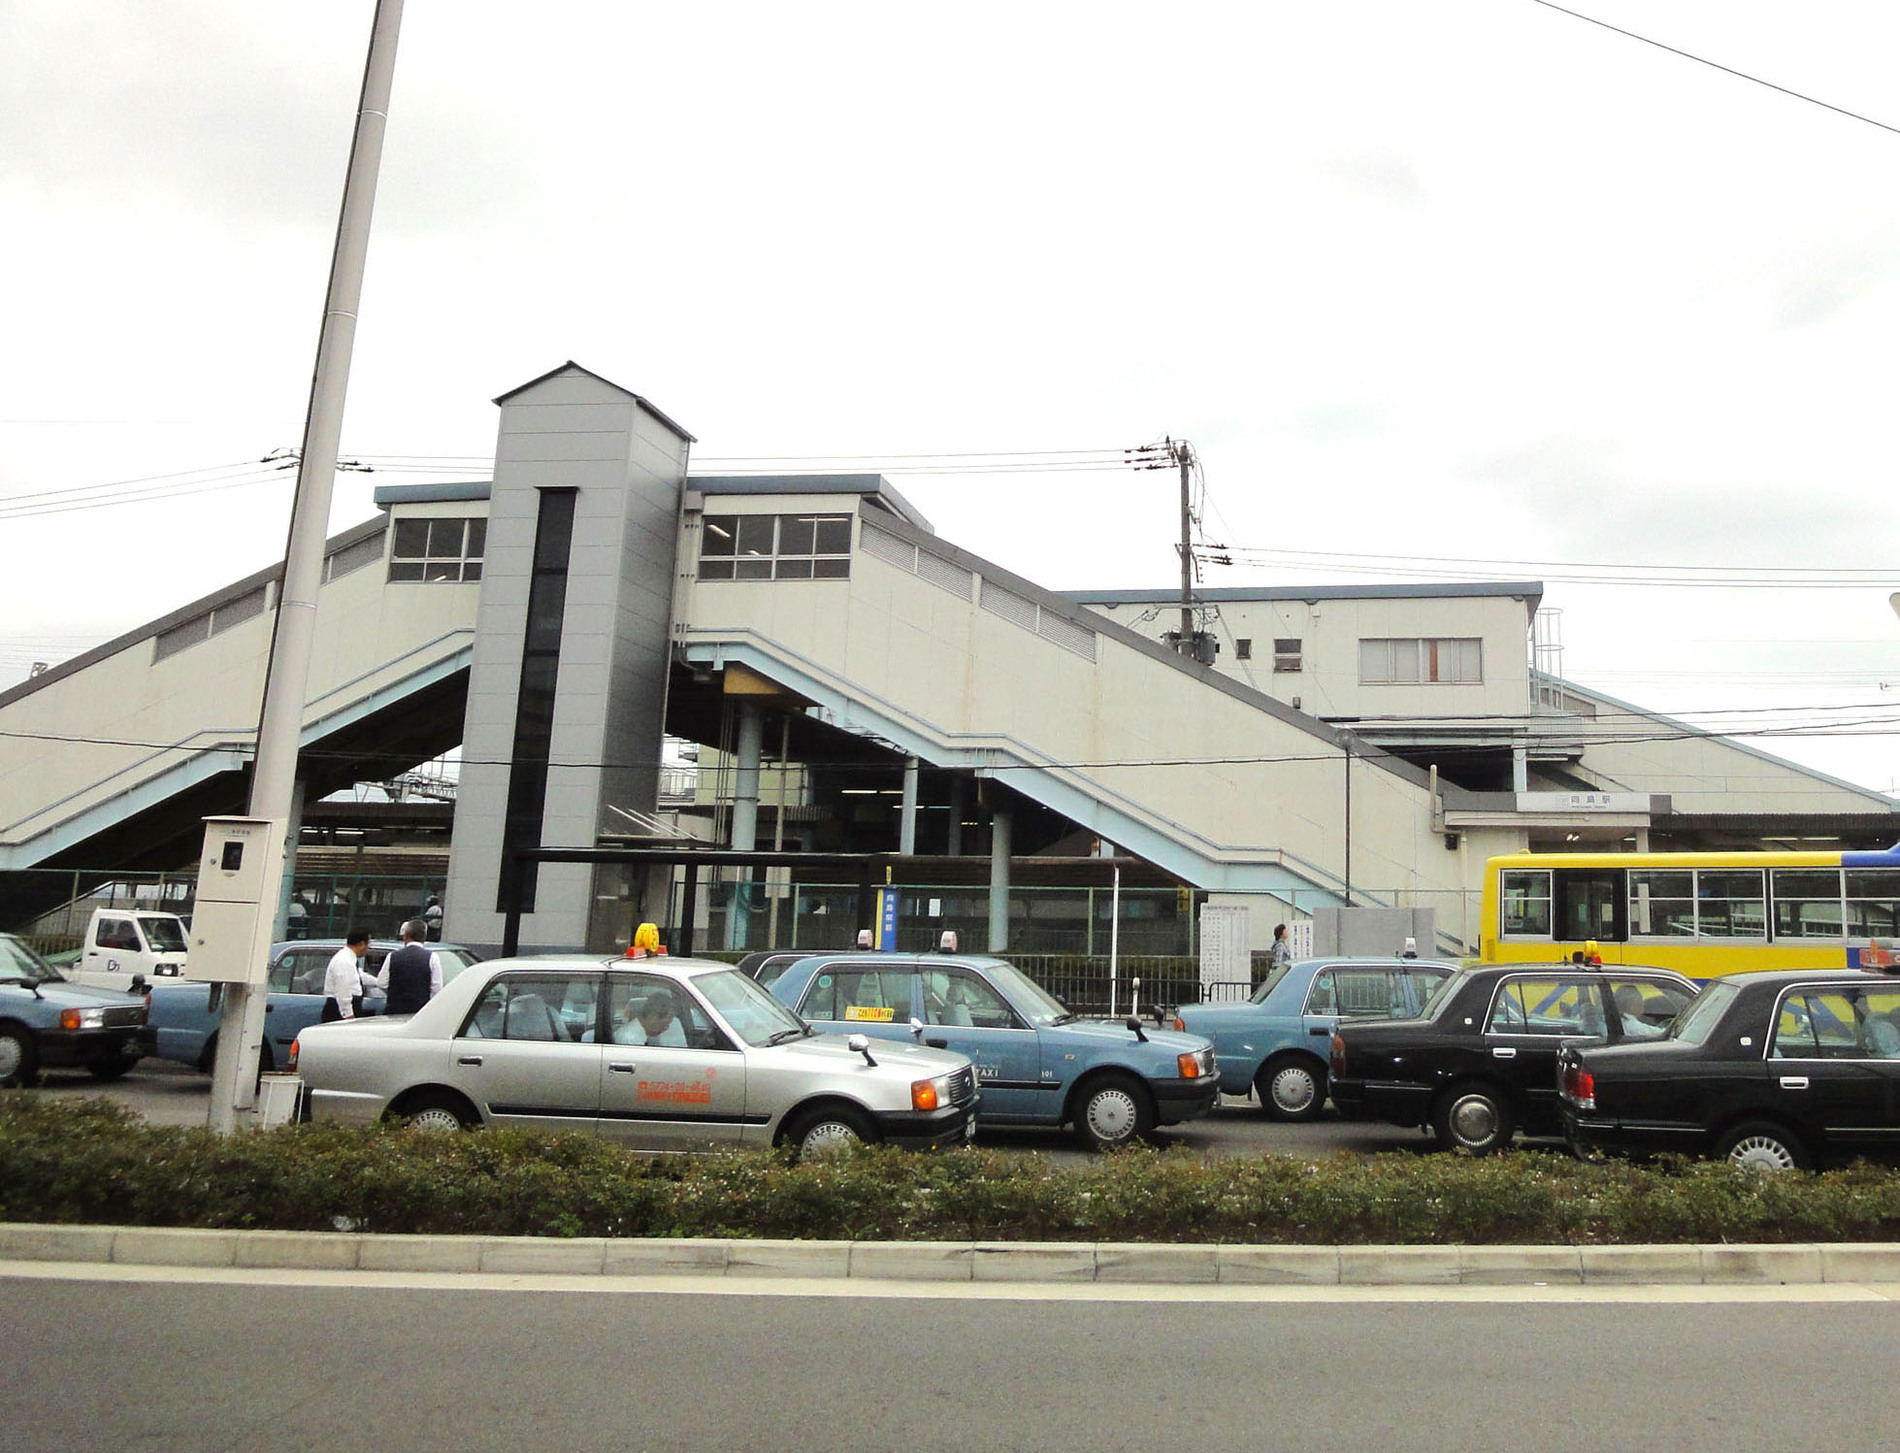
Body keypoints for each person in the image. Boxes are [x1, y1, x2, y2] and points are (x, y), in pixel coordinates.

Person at [369, 919, 441, 1016]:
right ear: (424, 937)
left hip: (394, 1011)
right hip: (420, 1012)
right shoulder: (432, 957)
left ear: (406, 936)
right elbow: (436, 989)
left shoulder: (392, 956)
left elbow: (381, 983)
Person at [321, 930, 374, 1022]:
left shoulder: (349, 959)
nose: (368, 948)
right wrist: (348, 1015)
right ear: (361, 944)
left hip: (347, 1006)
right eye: (368, 944)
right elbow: (343, 990)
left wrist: (378, 982)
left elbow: (358, 976)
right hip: (339, 1010)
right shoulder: (344, 961)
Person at [614, 989, 686, 1046]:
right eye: (665, 1024)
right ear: (653, 1016)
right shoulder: (630, 1039)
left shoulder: (639, 1034)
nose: (666, 1028)